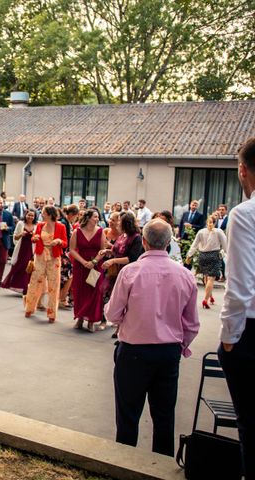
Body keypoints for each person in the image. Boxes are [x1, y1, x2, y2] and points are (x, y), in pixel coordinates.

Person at [105, 218, 199, 457]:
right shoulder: (185, 275)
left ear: (144, 242)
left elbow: (113, 313)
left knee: (127, 415)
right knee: (164, 417)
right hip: (168, 352)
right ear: (168, 243)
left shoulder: (130, 272)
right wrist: (180, 346)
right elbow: (192, 324)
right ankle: (161, 469)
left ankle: (125, 466)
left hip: (133, 350)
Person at [219, 137, 255, 479]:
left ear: (243, 170)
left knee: (250, 424)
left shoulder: (245, 214)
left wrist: (229, 338)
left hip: (251, 332)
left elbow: (240, 285)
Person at [99, 211, 144, 336]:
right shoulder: (122, 235)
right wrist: (107, 251)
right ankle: (108, 320)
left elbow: (132, 258)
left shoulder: (136, 238)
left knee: (124, 300)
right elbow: (116, 250)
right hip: (114, 271)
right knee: (107, 294)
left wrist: (113, 260)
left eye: (120, 221)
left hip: (127, 272)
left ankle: (120, 328)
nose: (117, 223)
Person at [24, 206, 67, 322]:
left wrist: (58, 241)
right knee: (35, 281)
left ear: (49, 214)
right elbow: (34, 238)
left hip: (54, 258)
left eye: (43, 212)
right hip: (40, 256)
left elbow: (65, 243)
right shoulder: (40, 225)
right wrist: (35, 238)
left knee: (54, 285)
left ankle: (52, 313)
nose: (42, 214)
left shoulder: (61, 226)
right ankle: (29, 307)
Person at [69, 208, 107, 332]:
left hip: (95, 266)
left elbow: (103, 250)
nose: (97, 219)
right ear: (88, 218)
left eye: (98, 217)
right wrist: (83, 262)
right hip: (81, 266)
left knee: (94, 293)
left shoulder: (100, 231)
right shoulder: (77, 231)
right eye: (95, 217)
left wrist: (94, 261)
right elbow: (72, 250)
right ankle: (80, 318)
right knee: (80, 292)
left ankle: (91, 320)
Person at [185, 215, 227, 309]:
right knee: (211, 279)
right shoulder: (218, 232)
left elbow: (194, 245)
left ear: (206, 222)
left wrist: (189, 255)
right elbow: (225, 245)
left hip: (202, 256)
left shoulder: (201, 232)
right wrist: (226, 253)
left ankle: (210, 297)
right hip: (213, 255)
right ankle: (205, 300)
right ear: (215, 223)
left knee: (206, 277)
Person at [1, 209, 36, 294]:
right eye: (29, 215)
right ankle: (18, 285)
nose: (30, 217)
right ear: (25, 215)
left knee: (29, 267)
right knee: (20, 266)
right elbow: (15, 237)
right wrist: (21, 234)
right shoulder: (21, 223)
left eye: (32, 215)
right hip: (21, 248)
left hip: (31, 249)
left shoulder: (37, 225)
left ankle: (26, 287)